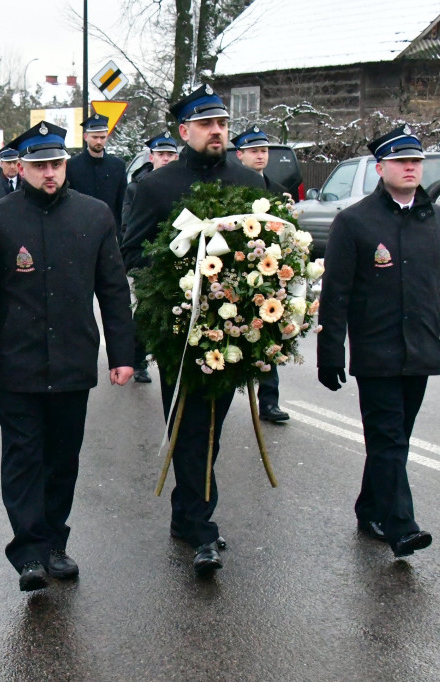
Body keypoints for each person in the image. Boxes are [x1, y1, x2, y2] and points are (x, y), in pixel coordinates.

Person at [0, 120, 135, 592]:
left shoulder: (95, 215)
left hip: (73, 362)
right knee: (23, 457)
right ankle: (29, 551)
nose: (50, 174)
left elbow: (114, 291)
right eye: (40, 166)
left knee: (63, 459)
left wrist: (124, 353)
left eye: (56, 164)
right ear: (22, 168)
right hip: (15, 365)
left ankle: (55, 544)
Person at [122, 84, 264, 576]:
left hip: (233, 331)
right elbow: (132, 252)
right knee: (189, 426)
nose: (218, 131)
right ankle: (202, 529)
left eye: (222, 123)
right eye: (206, 124)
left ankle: (186, 517)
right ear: (184, 132)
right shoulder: (157, 187)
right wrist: (177, 279)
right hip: (179, 332)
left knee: (212, 430)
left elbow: (268, 248)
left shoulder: (249, 182)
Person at [317, 125, 440, 559]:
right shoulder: (355, 221)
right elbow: (336, 293)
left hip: (421, 349)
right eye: (402, 161)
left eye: (417, 161)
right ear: (381, 167)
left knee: (395, 439)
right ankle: (400, 525)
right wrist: (330, 352)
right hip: (375, 353)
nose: (411, 168)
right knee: (388, 439)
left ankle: (370, 506)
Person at [231, 125, 290, 423]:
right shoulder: (231, 191)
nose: (260, 156)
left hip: (269, 276)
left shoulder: (278, 192)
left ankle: (269, 401)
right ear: (239, 154)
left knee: (267, 334)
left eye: (264, 150)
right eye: (254, 150)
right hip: (234, 275)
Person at [121, 133, 178, 384]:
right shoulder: (137, 188)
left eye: (170, 155)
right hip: (148, 259)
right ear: (151, 157)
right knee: (145, 310)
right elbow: (129, 226)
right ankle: (139, 360)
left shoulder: (182, 183)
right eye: (161, 155)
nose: (166, 159)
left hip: (178, 259)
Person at [66, 113, 128, 241]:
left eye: (102, 137)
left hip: (110, 231)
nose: (99, 141)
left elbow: (122, 203)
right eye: (94, 137)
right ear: (85, 137)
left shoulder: (118, 166)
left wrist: (120, 232)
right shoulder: (72, 165)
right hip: (80, 231)